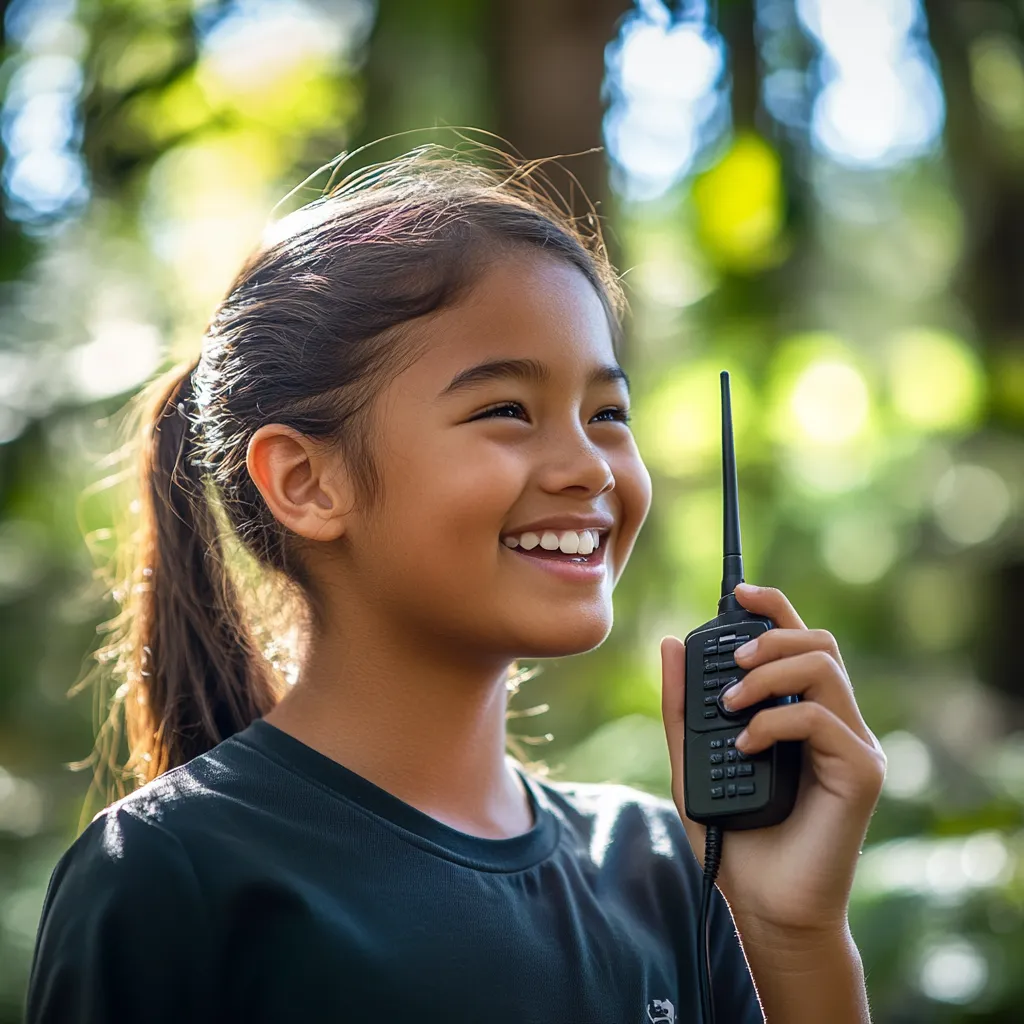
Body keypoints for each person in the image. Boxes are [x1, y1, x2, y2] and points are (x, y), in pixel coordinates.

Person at [24, 143, 885, 1024]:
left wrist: (792, 937)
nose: (590, 467)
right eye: (506, 409)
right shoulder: (169, 874)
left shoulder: (670, 867)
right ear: (308, 482)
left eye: (608, 414)